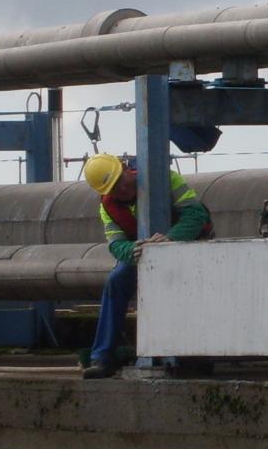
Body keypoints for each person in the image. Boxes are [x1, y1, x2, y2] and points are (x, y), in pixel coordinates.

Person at [80, 153, 214, 380]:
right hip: (145, 254)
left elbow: (195, 213)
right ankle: (102, 358)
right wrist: (134, 250)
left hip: (189, 246)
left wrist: (171, 240)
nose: (121, 190)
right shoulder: (107, 207)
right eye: (113, 189)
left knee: (191, 291)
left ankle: (196, 354)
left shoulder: (165, 178)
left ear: (125, 168)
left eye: (121, 181)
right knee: (116, 281)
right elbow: (116, 244)